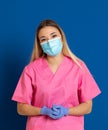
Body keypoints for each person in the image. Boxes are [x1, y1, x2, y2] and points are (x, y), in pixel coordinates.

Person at [12, 19, 101, 130]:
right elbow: (21, 108)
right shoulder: (31, 70)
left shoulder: (78, 67)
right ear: (40, 44)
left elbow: (88, 107)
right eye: (44, 39)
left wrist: (66, 111)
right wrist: (43, 111)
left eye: (53, 36)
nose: (49, 42)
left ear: (61, 37)